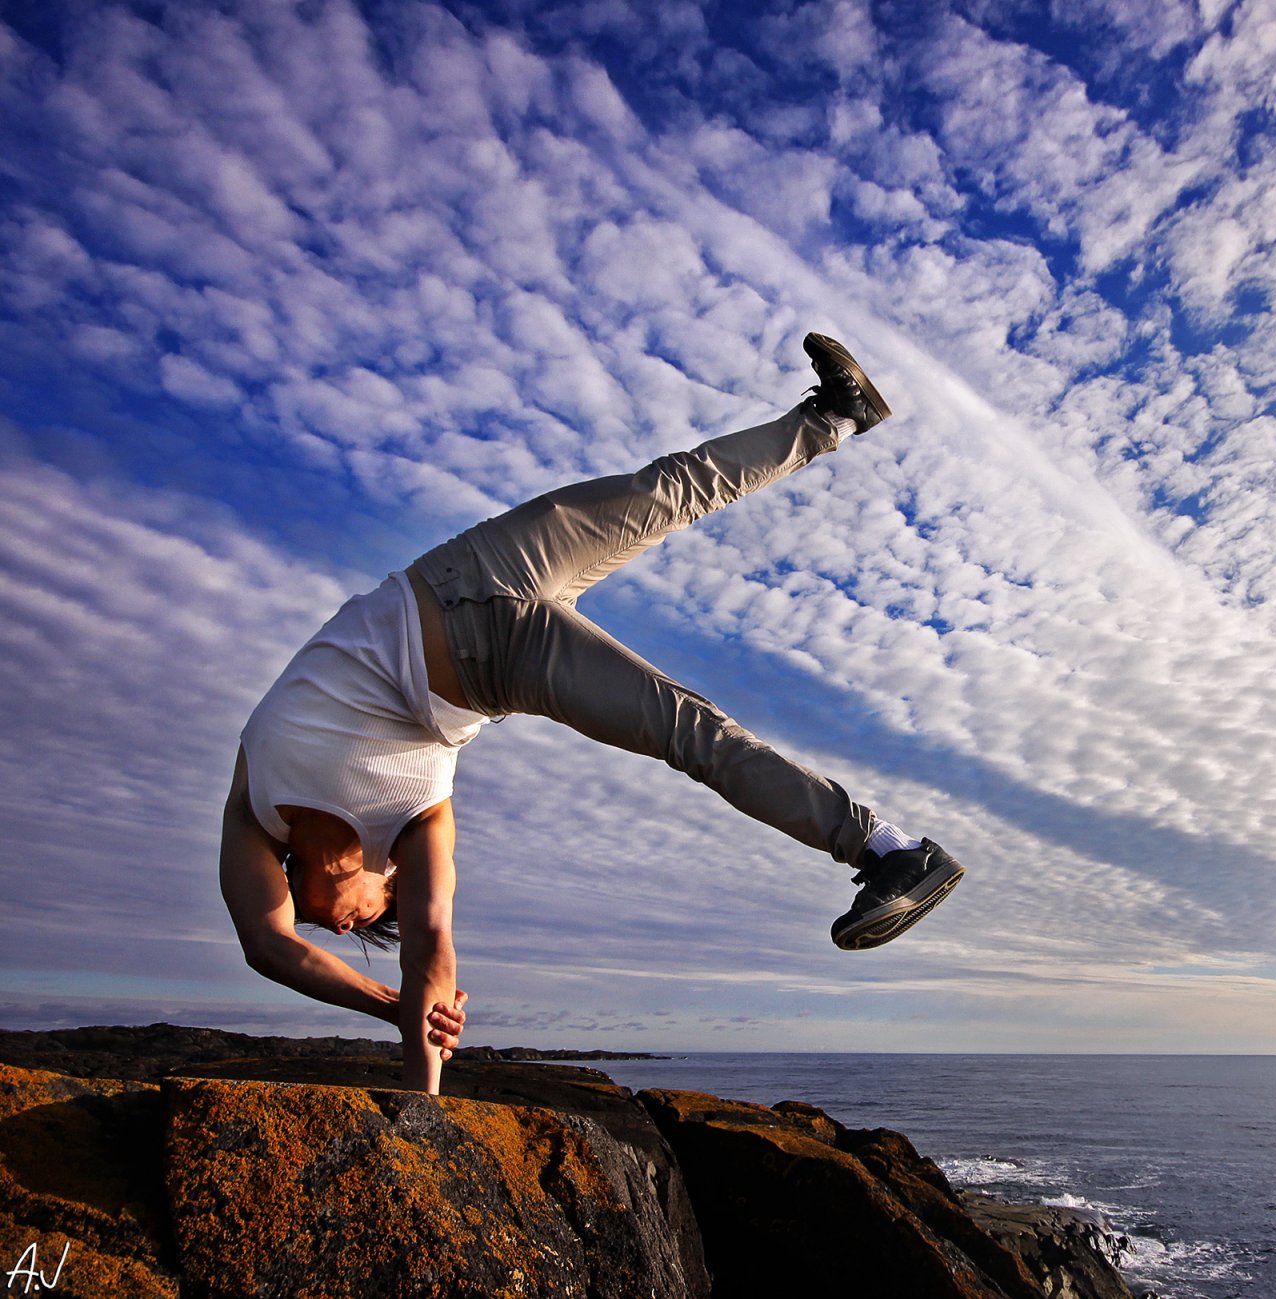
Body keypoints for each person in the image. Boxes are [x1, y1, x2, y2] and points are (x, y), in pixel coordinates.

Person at [219, 333, 966, 1094]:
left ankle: (836, 418)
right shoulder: (421, 826)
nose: (341, 929)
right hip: (505, 658)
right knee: (688, 728)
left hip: (465, 566)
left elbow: (267, 943)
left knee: (669, 487)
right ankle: (887, 849)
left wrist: (399, 1000)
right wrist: (404, 1021)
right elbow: (423, 949)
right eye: (367, 924)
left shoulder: (256, 802)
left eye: (342, 924)